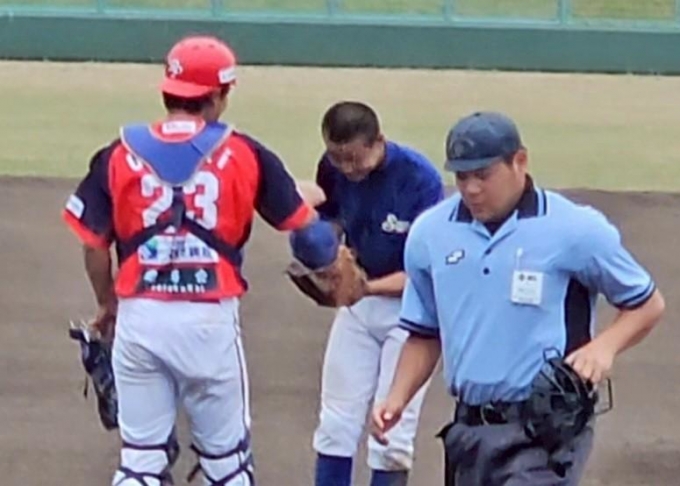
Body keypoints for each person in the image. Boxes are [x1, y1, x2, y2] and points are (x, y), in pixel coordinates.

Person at [62, 35, 341, 486]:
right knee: (227, 464)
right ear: (218, 95)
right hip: (207, 322)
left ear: (167, 91)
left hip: (139, 316)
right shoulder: (245, 152)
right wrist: (328, 252)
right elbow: (309, 237)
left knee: (140, 461)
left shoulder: (118, 152)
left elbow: (93, 243)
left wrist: (107, 303)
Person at [370, 111, 666, 485]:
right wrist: (397, 397)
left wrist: (603, 348)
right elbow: (425, 333)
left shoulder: (574, 229)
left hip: (547, 430)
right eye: (462, 176)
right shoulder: (430, 234)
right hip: (469, 430)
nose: (471, 189)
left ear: (519, 161)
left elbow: (646, 303)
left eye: (483, 175)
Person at [311, 101, 445, 486]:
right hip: (358, 309)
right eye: (337, 157)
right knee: (335, 423)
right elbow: (330, 218)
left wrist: (364, 287)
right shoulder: (332, 169)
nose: (346, 168)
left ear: (378, 141)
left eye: (354, 158)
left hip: (410, 314)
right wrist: (328, 257)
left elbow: (426, 273)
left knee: (391, 433)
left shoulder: (419, 180)